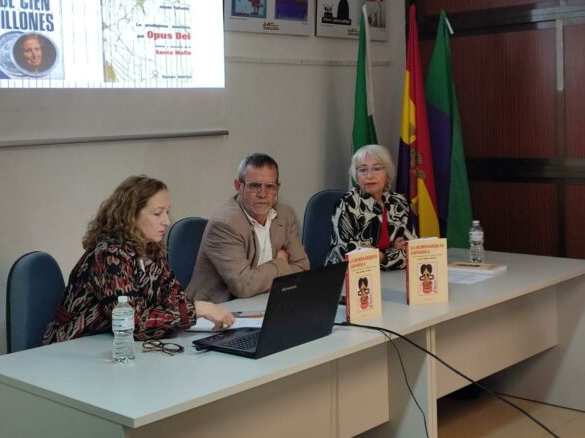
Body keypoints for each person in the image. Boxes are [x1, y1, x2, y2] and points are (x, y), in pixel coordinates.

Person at [43, 175, 234, 344]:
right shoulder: (109, 256)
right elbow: (133, 324)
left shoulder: (151, 248)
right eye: (158, 213)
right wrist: (199, 309)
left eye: (167, 212)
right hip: (74, 346)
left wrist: (185, 311)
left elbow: (175, 302)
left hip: (113, 344)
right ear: (130, 216)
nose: (167, 221)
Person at [186, 153, 310, 303]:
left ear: (277, 189)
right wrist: (281, 263)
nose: (263, 194)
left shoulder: (285, 214)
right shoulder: (224, 224)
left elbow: (303, 269)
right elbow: (244, 286)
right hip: (216, 312)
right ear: (239, 186)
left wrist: (258, 276)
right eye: (255, 186)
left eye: (270, 187)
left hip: (263, 303)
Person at [326, 144, 416, 270]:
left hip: (391, 277)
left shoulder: (399, 202)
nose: (369, 176)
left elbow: (413, 253)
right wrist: (393, 252)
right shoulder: (346, 205)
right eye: (362, 170)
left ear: (387, 173)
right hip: (347, 279)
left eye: (377, 169)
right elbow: (352, 258)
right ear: (356, 175)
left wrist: (382, 256)